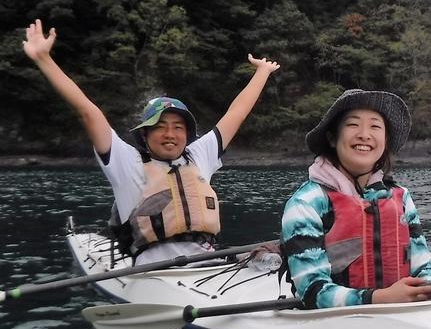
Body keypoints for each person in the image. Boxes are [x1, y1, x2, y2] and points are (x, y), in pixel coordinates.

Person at [22, 19, 280, 264]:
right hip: (153, 273)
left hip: (207, 264)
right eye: (160, 127)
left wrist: (263, 72)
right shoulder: (125, 162)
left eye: (178, 127)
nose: (170, 134)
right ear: (144, 135)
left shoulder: (199, 155)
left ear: (187, 134)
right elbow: (88, 112)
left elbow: (236, 113)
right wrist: (44, 59)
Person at [281, 88, 431, 308]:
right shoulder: (306, 202)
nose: (364, 134)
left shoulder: (401, 197)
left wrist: (430, 288)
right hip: (331, 322)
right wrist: (381, 298)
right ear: (332, 138)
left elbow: (423, 265)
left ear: (384, 140)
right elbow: (312, 291)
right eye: (352, 124)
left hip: (404, 313)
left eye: (375, 126)